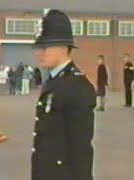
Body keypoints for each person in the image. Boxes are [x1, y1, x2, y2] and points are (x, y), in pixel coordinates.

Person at [31, 9, 96, 180]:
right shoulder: (53, 81)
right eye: (38, 47)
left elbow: (81, 150)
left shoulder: (77, 87)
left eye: (45, 47)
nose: (39, 53)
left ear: (62, 48)